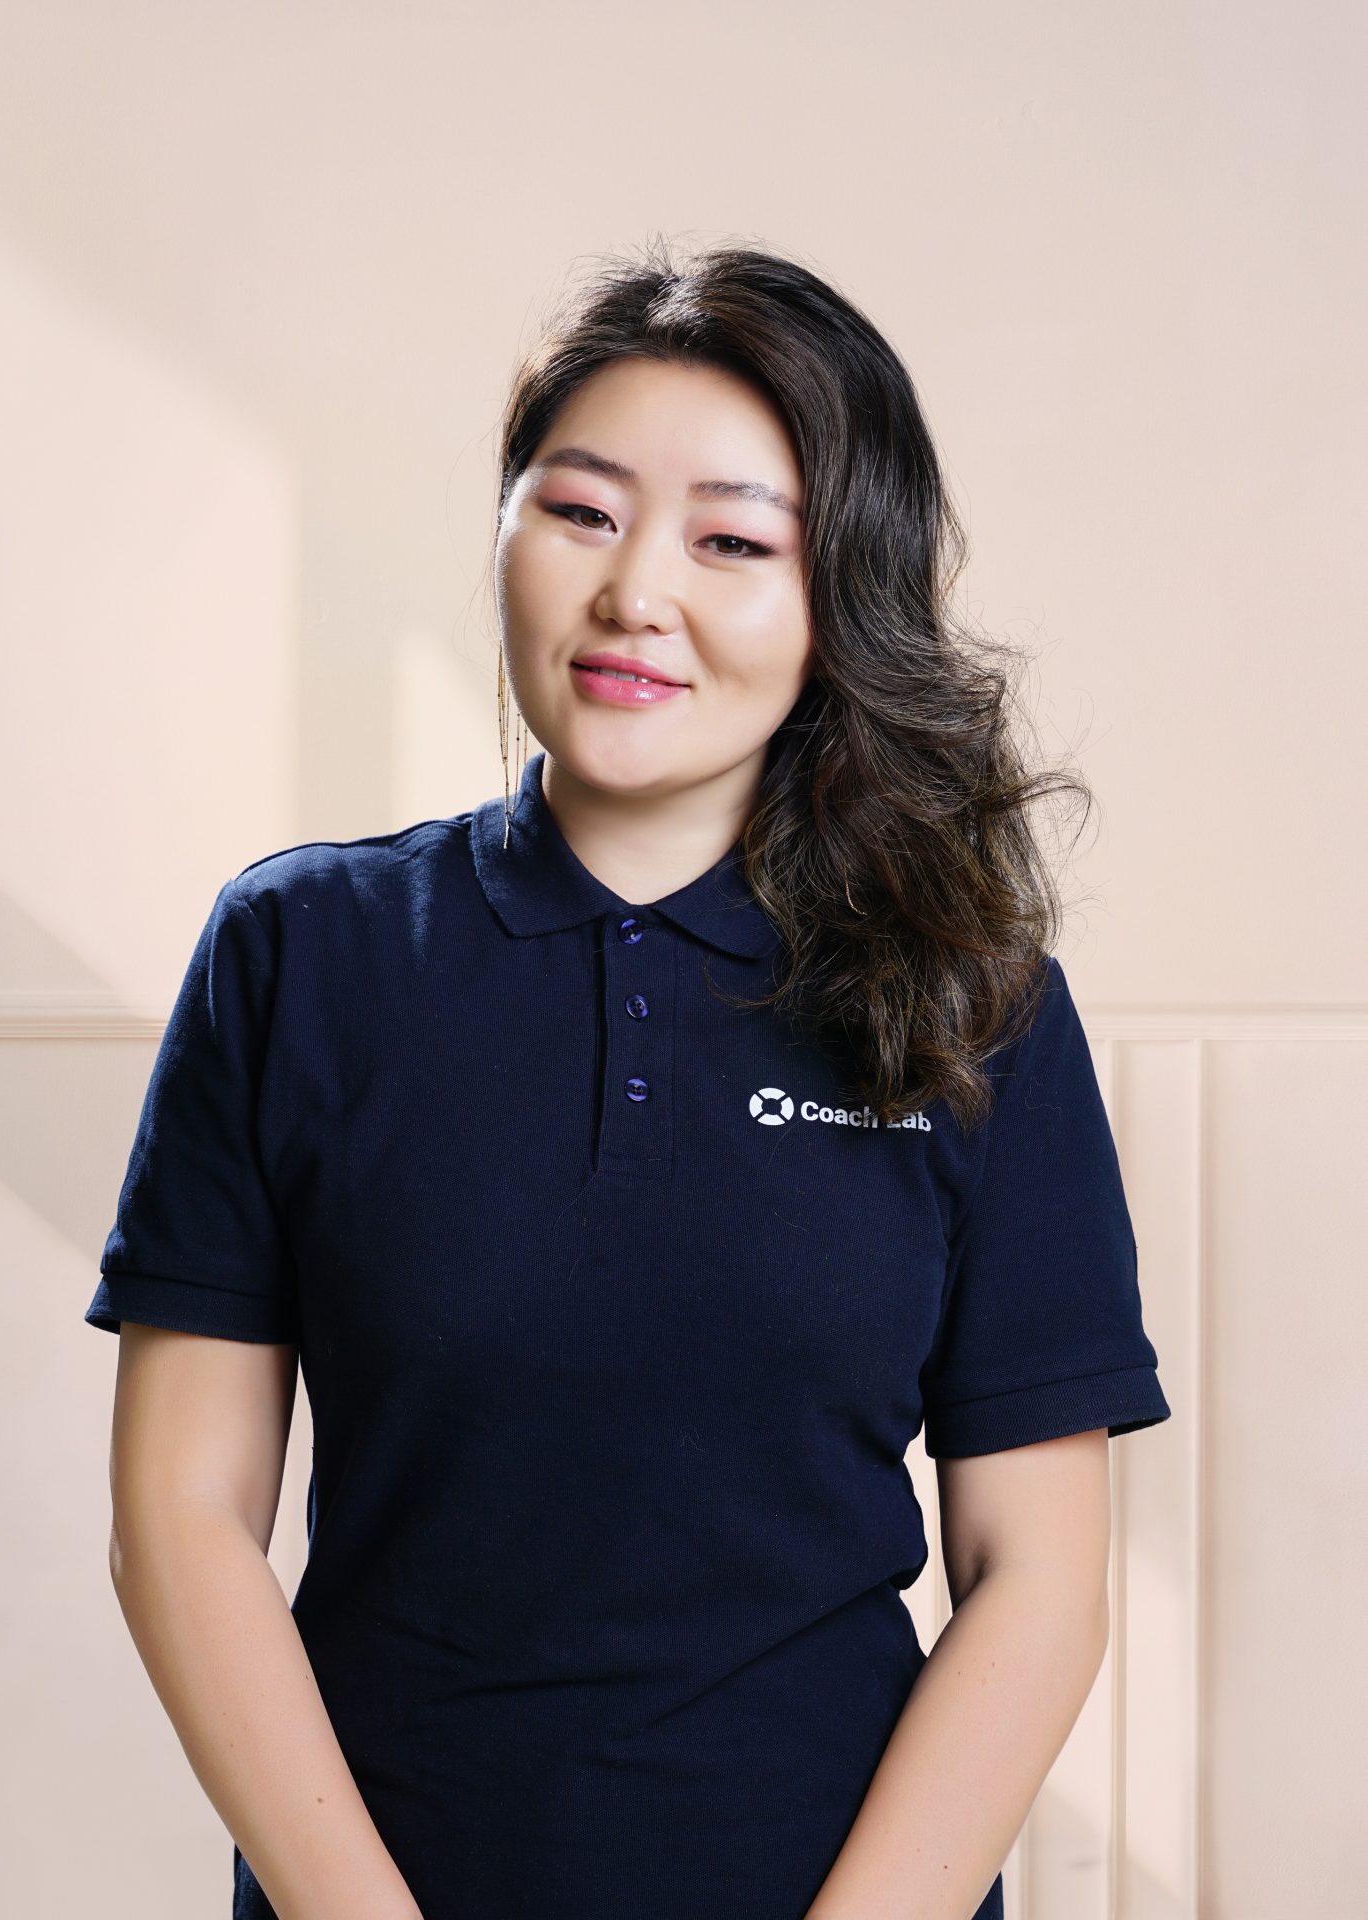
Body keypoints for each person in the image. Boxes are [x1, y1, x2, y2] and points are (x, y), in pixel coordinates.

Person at [85, 239, 1171, 1920]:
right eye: (581, 510)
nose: (635, 593)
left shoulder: (977, 1003)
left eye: (732, 542)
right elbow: (182, 1516)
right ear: (507, 527)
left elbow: (1037, 1578)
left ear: (837, 601)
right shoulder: (301, 953)